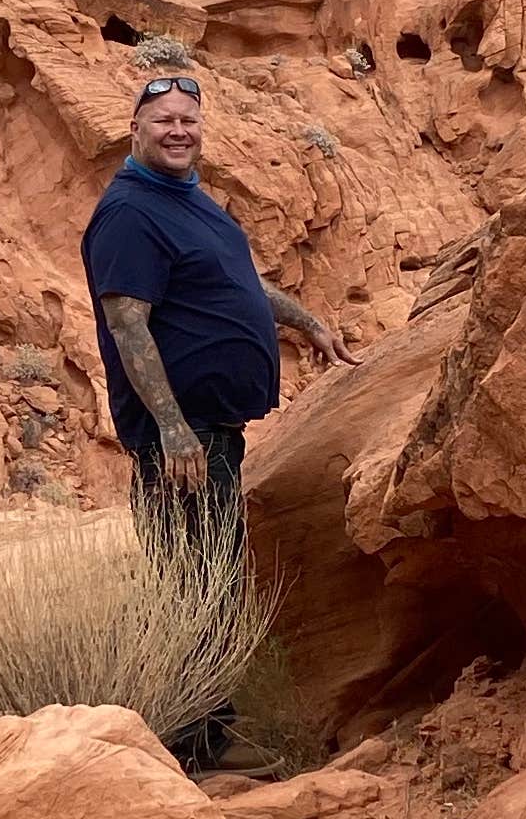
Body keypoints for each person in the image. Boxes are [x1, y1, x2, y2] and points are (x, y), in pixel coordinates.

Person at [81, 70, 344, 757]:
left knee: (208, 575)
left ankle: (199, 731)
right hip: (183, 436)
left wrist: (305, 321)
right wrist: (170, 428)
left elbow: (240, 287)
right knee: (196, 585)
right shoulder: (130, 212)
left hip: (211, 430)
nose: (177, 131)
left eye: (188, 120)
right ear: (134, 129)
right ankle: (197, 744)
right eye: (163, 119)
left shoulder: (190, 201)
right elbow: (128, 324)